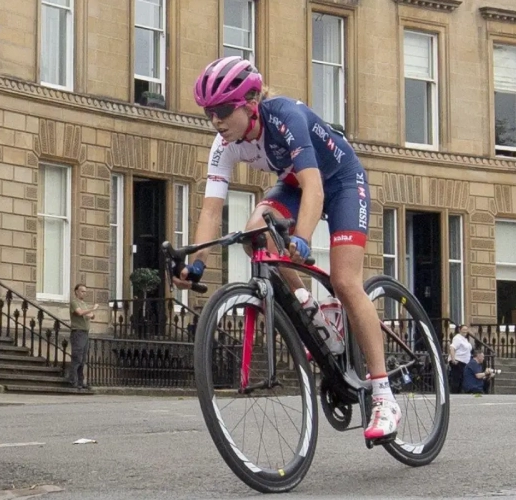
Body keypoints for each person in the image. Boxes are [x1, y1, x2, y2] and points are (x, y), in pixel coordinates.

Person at [172, 56, 401, 441]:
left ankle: (383, 395)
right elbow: (211, 212)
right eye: (210, 112)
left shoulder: (285, 116)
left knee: (346, 281)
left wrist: (302, 239)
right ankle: (309, 306)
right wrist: (195, 265)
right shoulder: (223, 146)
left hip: (341, 181)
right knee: (254, 234)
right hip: (294, 185)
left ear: (249, 104)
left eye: (224, 110)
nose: (216, 121)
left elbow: (315, 186)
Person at [69, 283, 97, 390]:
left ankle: (81, 381)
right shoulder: (74, 302)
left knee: (83, 358)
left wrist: (90, 312)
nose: (84, 293)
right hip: (78, 332)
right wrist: (92, 309)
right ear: (76, 291)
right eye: (82, 291)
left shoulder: (84, 304)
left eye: (85, 291)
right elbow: (80, 313)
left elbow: (92, 316)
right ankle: (73, 380)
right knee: (77, 357)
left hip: (85, 332)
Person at [448, 324, 472, 394]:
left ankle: (458, 394)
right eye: (463, 329)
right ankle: (454, 393)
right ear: (459, 330)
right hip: (458, 361)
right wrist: (453, 360)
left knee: (461, 379)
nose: (465, 331)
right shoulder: (457, 338)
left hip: (464, 362)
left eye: (466, 330)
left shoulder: (465, 339)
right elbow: (452, 348)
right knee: (456, 379)